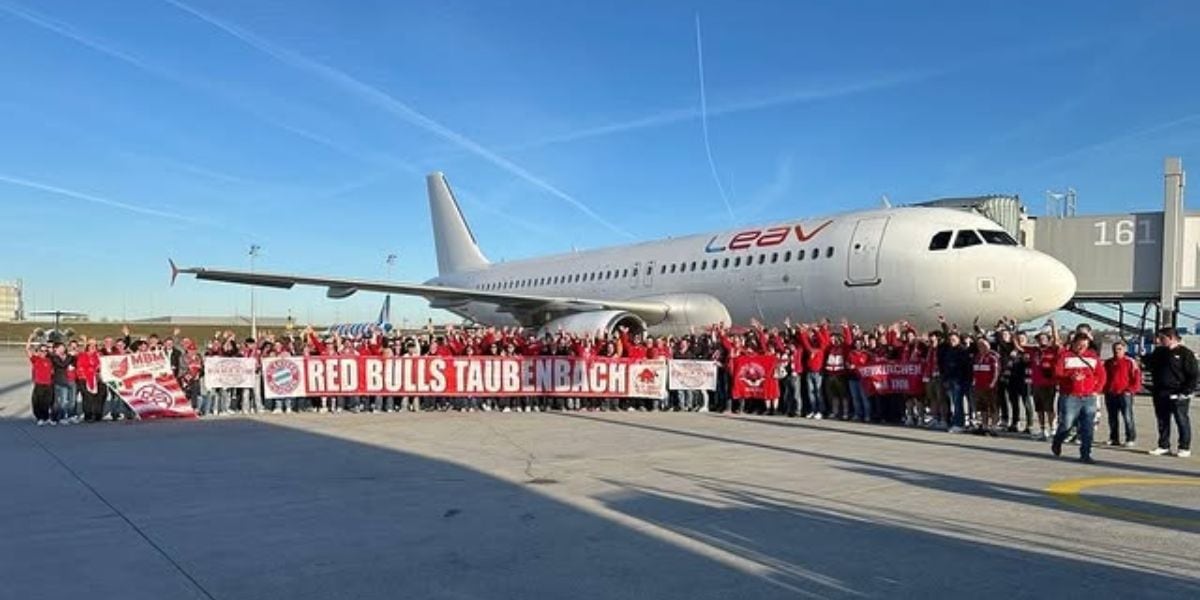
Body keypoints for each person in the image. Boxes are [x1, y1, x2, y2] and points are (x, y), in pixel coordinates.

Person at [1051, 333, 1106, 464]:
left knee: (1088, 427)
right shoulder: (1064, 356)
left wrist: (1096, 390)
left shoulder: (1092, 357)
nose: (1082, 347)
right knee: (1067, 424)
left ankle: (1085, 454)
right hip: (1070, 396)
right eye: (1079, 345)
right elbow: (1057, 374)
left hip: (1088, 397)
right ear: (1073, 344)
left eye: (1085, 345)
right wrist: (1070, 378)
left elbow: (1102, 375)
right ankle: (1057, 441)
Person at [1141, 327, 1196, 458]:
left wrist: (1186, 391)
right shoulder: (1159, 351)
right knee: (1162, 420)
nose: (1159, 340)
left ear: (1171, 338)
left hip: (1178, 393)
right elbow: (1150, 364)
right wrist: (1143, 358)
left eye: (1162, 338)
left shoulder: (1185, 353)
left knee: (1181, 420)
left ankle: (1184, 447)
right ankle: (1163, 445)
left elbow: (1193, 375)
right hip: (1160, 392)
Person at [1102, 341, 1141, 447]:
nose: (1116, 351)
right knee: (1112, 418)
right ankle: (1114, 438)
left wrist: (1131, 390)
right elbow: (1104, 377)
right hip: (1111, 393)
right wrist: (1104, 389)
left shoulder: (1130, 362)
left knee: (1127, 416)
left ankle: (1130, 438)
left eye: (1119, 349)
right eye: (1115, 349)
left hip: (1125, 394)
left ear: (1124, 350)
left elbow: (1136, 378)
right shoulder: (1108, 362)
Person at [26, 333, 54, 426]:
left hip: (48, 384)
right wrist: (30, 339)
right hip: (39, 384)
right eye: (42, 351)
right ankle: (40, 418)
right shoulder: (36, 359)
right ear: (38, 351)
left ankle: (46, 417)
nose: (44, 352)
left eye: (45, 351)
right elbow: (28, 350)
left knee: (47, 402)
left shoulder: (49, 360)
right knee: (37, 402)